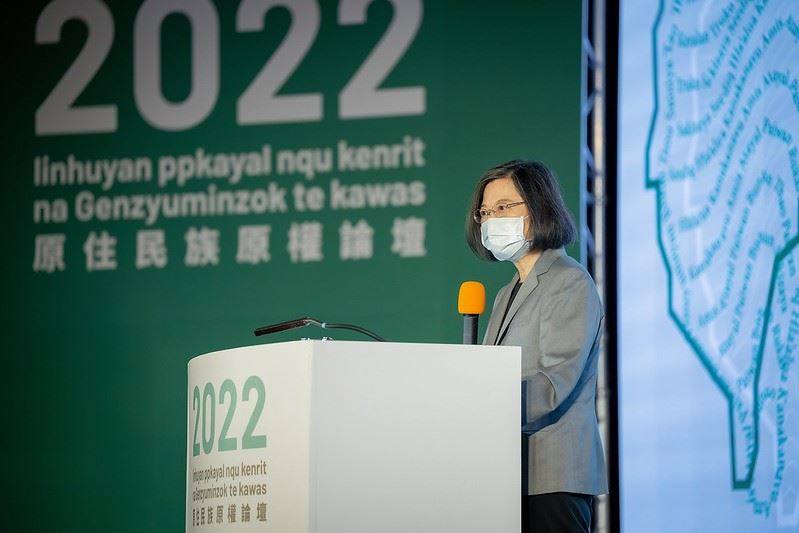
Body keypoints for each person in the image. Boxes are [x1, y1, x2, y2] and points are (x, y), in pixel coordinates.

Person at [465, 160, 607, 532]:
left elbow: (555, 382)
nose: (491, 220)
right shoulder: (504, 294)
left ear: (539, 207)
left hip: (553, 477)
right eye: (485, 211)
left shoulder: (569, 281)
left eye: (503, 207)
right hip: (507, 476)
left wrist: (482, 407)